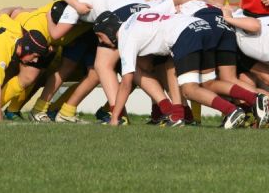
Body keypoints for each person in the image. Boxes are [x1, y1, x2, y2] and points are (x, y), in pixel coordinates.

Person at [93, 10, 250, 128]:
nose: (102, 41)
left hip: (185, 34)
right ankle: (253, 99)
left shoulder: (125, 40)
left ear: (108, 30)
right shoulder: (134, 18)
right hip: (202, 26)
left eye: (101, 36)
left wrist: (115, 118)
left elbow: (126, 83)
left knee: (190, 90)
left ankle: (232, 111)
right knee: (207, 83)